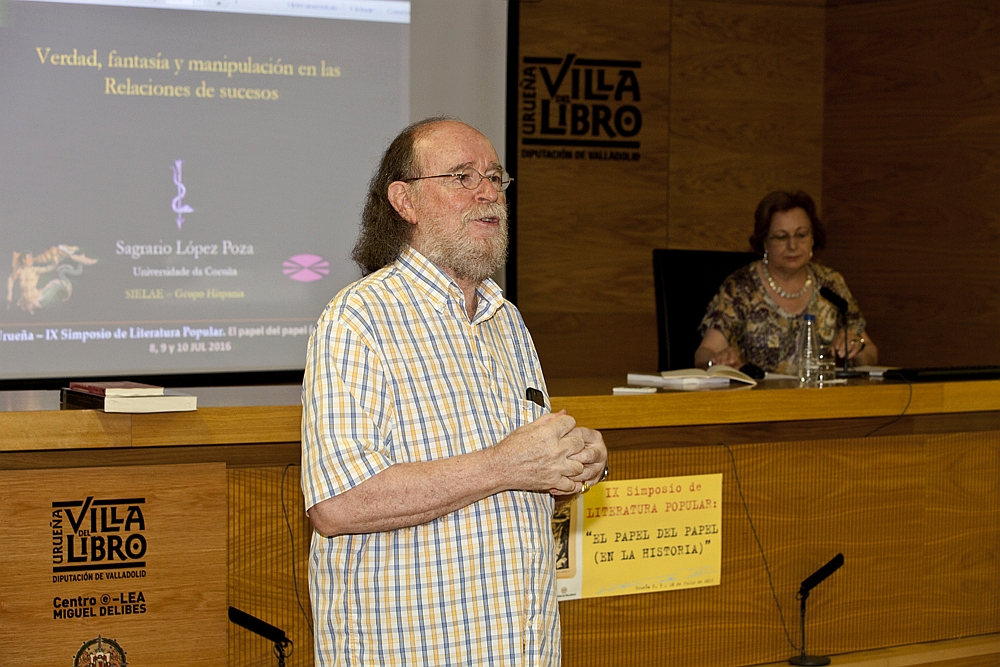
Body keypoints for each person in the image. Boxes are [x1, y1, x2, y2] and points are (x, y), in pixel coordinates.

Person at [300, 117, 608, 667]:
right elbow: (338, 503)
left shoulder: (506, 321)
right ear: (405, 202)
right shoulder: (358, 319)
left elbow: (517, 481)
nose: (488, 193)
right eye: (462, 177)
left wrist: (569, 464)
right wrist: (506, 465)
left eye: (495, 177)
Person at [694, 190, 878, 375]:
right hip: (758, 392)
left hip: (820, 391)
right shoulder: (741, 287)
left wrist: (858, 348)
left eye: (801, 235)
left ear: (813, 238)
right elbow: (704, 353)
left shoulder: (831, 283)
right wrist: (717, 360)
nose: (793, 246)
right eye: (782, 237)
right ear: (765, 242)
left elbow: (870, 354)